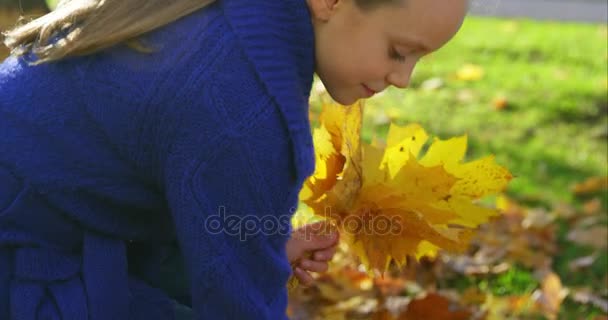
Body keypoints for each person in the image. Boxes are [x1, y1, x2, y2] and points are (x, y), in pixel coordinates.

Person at [0, 0, 468, 318]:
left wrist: (260, 247)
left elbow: (169, 170)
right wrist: (249, 266)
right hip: (23, 262)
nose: (404, 78)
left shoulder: (241, 22)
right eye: (399, 52)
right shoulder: (244, 104)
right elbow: (240, 308)